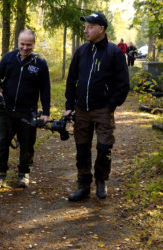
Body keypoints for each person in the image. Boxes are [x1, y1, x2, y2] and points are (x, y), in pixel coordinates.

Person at [65, 12, 129, 201]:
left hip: (102, 110)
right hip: (81, 110)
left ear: (101, 29)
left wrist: (110, 105)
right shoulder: (81, 51)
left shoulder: (114, 53)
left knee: (104, 147)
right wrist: (69, 105)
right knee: (82, 148)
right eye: (85, 26)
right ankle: (83, 185)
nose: (85, 30)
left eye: (90, 27)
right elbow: (71, 80)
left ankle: (101, 181)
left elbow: (123, 84)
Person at [0, 29, 51, 188]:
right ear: (18, 43)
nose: (25, 47)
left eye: (29, 45)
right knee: (2, 143)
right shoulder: (9, 58)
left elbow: (45, 89)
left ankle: (24, 174)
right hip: (6, 111)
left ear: (34, 44)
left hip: (28, 113)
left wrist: (46, 112)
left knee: (27, 145)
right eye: (22, 44)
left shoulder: (40, 63)